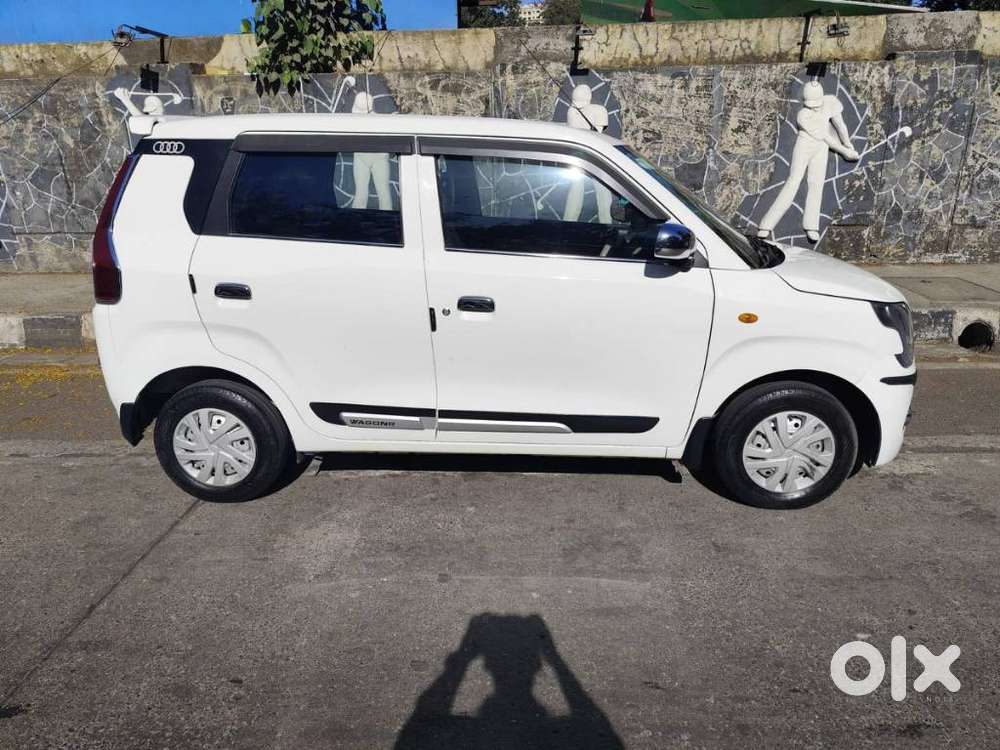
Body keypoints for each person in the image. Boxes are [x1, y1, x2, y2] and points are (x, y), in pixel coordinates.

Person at [757, 79, 859, 242]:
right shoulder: (803, 115)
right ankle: (766, 224)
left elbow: (840, 125)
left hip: (821, 148)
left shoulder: (830, 102)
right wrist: (845, 152)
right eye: (811, 105)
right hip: (805, 145)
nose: (815, 107)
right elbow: (825, 135)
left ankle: (811, 226)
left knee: (816, 184)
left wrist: (848, 144)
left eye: (817, 104)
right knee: (794, 181)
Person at [563, 84, 613, 224]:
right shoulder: (576, 111)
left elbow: (597, 132)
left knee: (597, 190)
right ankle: (605, 223)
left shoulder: (576, 111)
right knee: (591, 189)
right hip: (587, 155)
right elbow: (595, 133)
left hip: (587, 154)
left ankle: (570, 222)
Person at [350, 91, 393, 210]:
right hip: (362, 158)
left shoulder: (380, 122)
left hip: (377, 158)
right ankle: (356, 218)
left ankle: (387, 218)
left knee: (382, 193)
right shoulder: (354, 121)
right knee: (364, 194)